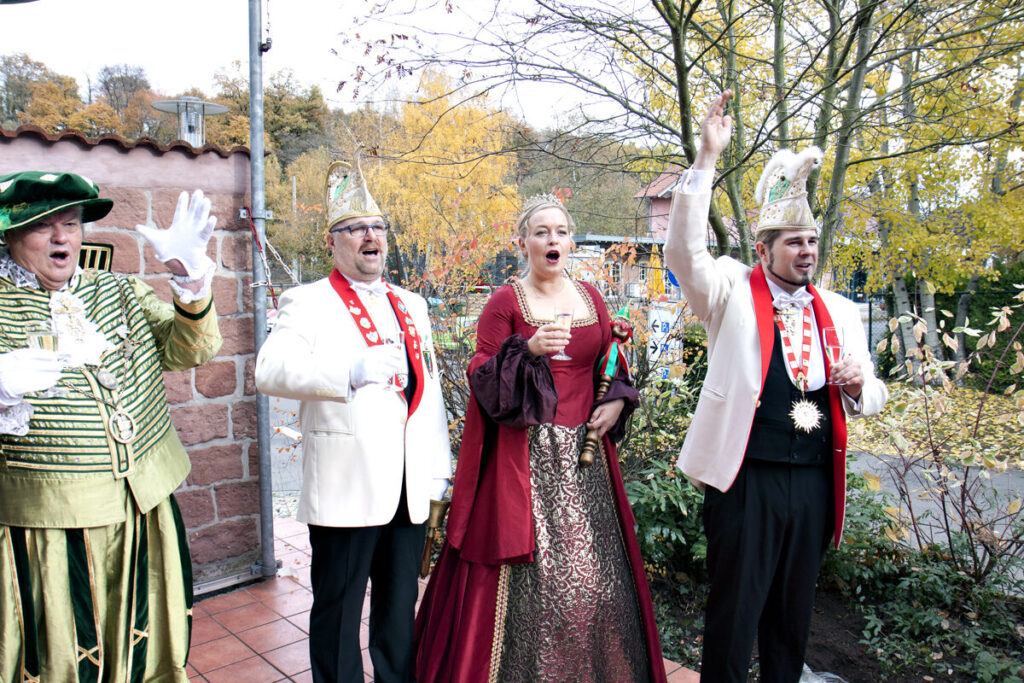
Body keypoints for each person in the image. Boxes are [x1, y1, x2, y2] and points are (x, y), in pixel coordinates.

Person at [664, 91, 889, 682]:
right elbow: (683, 252)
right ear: (763, 249)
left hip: (813, 482)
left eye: (811, 242)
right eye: (793, 242)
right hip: (745, 480)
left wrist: (859, 384)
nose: (806, 251)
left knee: (792, 617)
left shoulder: (840, 310)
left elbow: (874, 395)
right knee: (735, 612)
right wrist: (707, 159)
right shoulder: (729, 290)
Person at [413, 194, 667, 683]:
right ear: (523, 242)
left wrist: (617, 401)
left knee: (593, 580)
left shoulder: (591, 297)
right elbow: (481, 374)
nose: (553, 239)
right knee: (533, 580)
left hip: (586, 463)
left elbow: (610, 361)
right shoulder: (505, 302)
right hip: (522, 462)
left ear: (570, 242)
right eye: (541, 232)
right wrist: (527, 349)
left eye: (561, 232)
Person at [0, 171, 222, 682]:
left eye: (71, 223)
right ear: (9, 235)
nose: (62, 237)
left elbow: (190, 349)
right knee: (68, 651)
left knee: (148, 642)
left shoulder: (117, 290)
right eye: (43, 226)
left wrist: (190, 281)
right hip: (52, 523)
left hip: (145, 503)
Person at [255, 160, 452, 683]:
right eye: (356, 228)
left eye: (378, 227)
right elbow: (268, 370)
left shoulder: (412, 304)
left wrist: (438, 469)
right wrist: (348, 371)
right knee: (338, 612)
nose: (371, 236)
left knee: (398, 609)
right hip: (345, 484)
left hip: (408, 486)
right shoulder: (308, 301)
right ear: (332, 242)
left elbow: (428, 391)